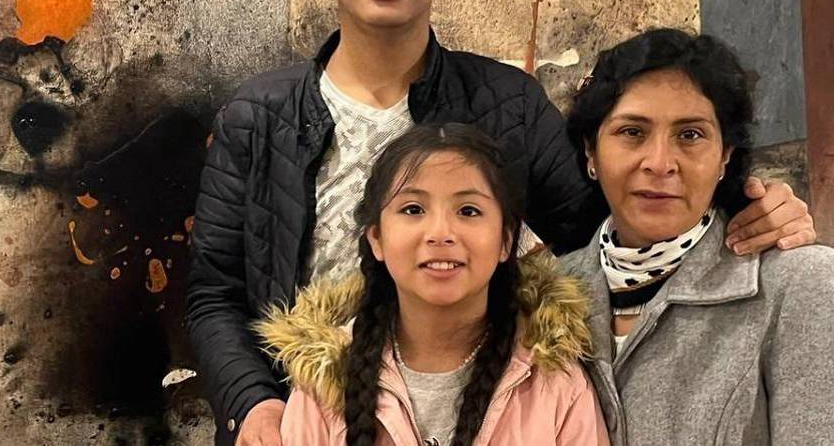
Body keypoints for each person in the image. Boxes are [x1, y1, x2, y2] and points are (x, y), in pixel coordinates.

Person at [185, 0, 815, 445]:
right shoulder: (257, 116)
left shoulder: (508, 104)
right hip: (308, 420)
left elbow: (606, 234)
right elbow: (215, 293)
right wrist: (254, 405)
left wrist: (742, 208)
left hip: (494, 412)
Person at [555, 28, 834, 445]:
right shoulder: (544, 295)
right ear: (591, 152)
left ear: (725, 155)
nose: (660, 163)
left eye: (690, 135)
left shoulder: (799, 287)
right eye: (632, 132)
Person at [258, 123, 609, 445]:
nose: (441, 233)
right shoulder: (322, 387)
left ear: (505, 240)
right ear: (377, 238)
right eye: (413, 209)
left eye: (468, 211)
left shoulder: (556, 384)